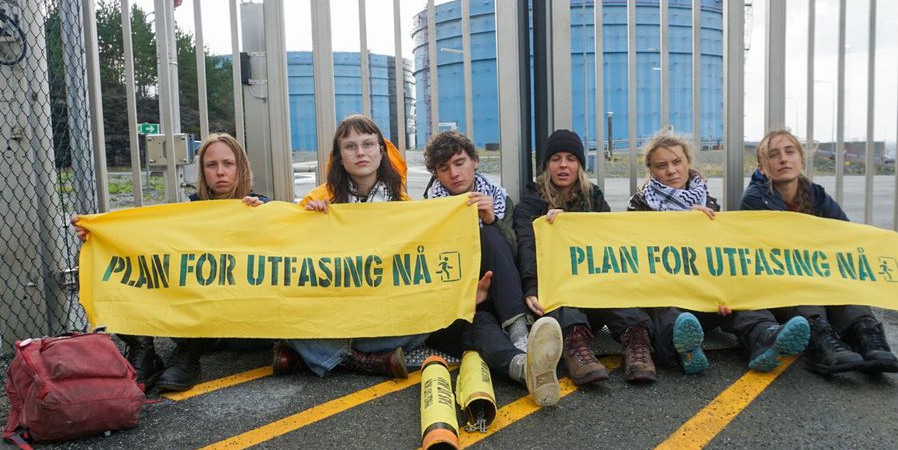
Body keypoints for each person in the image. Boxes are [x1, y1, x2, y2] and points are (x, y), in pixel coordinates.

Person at [71, 132, 268, 392]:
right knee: (140, 266)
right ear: (203, 171)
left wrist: (261, 214)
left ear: (240, 167)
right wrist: (100, 237)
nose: (220, 172)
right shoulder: (185, 212)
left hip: (245, 326)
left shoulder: (262, 207)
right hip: (194, 322)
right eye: (211, 165)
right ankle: (143, 349)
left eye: (228, 164)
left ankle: (188, 357)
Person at [628, 131, 810, 373]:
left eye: (677, 162)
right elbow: (637, 255)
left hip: (704, 287)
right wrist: (678, 224)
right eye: (662, 166)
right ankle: (684, 350)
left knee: (739, 295)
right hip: (668, 288)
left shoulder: (708, 201)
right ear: (651, 170)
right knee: (666, 310)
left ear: (687, 163)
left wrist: (722, 291)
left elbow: (716, 255)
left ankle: (765, 338)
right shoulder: (639, 204)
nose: (671, 170)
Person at [272, 114, 426, 379]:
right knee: (280, 309)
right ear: (339, 156)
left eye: (368, 144)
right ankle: (362, 360)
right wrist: (309, 222)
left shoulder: (403, 205)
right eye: (350, 146)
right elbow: (288, 257)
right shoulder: (318, 199)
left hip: (381, 307)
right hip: (331, 308)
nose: (360, 153)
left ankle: (315, 355)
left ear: (381, 151)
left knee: (429, 314)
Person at [740, 129, 898, 375]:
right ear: (762, 167)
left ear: (801, 160)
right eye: (774, 155)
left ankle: (864, 332)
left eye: (789, 152)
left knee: (846, 286)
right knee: (806, 291)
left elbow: (847, 238)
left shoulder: (816, 195)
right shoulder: (754, 199)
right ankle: (821, 340)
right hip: (779, 282)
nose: (783, 159)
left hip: (817, 275)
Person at [422, 130, 563, 406]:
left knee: (489, 234)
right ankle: (525, 368)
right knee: (480, 327)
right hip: (459, 304)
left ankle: (520, 335)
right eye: (444, 168)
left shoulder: (499, 199)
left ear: (475, 161)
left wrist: (491, 220)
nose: (454, 173)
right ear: (436, 174)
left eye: (459, 162)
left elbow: (512, 254)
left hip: (500, 297)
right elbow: (427, 270)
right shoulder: (427, 210)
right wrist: (466, 296)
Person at [514, 129, 656, 385]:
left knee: (619, 296)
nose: (563, 165)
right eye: (556, 158)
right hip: (558, 286)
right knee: (562, 301)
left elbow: (610, 243)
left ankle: (636, 344)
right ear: (547, 164)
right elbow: (527, 247)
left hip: (594, 283)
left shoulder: (595, 197)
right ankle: (577, 349)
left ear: (579, 163)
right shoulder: (530, 204)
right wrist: (531, 286)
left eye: (571, 158)